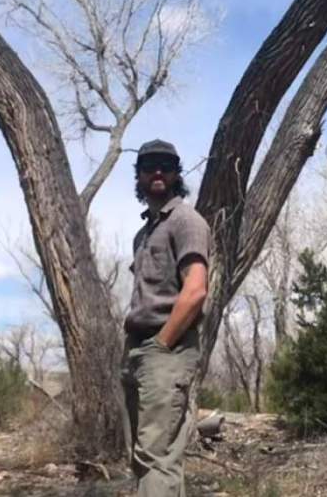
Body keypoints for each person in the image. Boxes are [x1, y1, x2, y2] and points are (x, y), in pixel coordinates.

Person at [120, 138, 210, 497]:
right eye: (149, 166)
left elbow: (196, 291)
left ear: (177, 174)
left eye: (166, 165)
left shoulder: (186, 221)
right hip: (137, 349)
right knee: (144, 456)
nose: (158, 172)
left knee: (156, 456)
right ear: (139, 176)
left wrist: (161, 344)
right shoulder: (144, 234)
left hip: (165, 350)